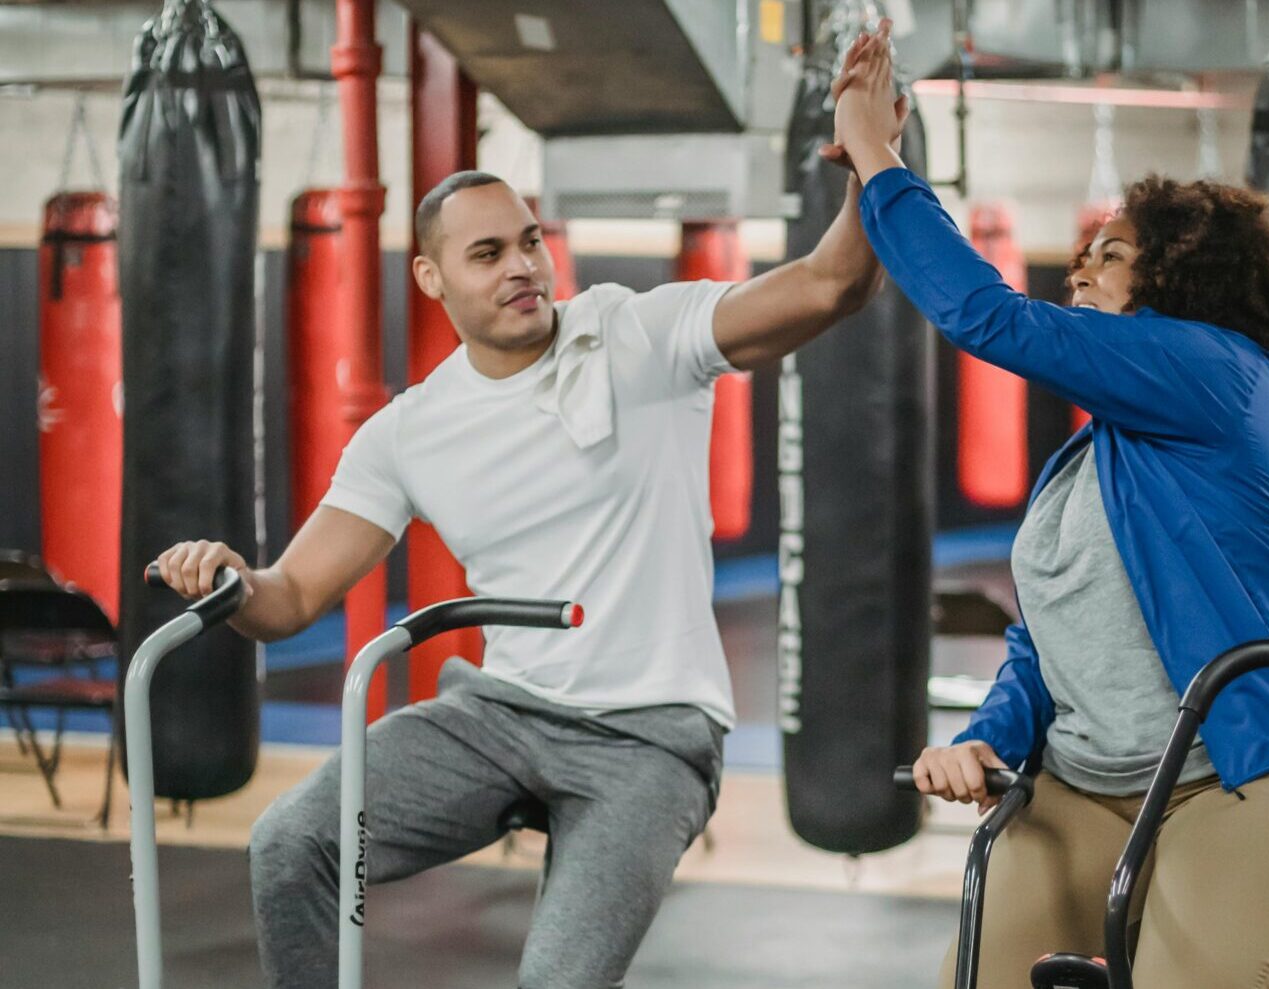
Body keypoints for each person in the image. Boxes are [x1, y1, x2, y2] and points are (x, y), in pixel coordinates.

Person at [151, 151, 905, 988]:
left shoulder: (636, 334)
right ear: (431, 277)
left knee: (557, 979)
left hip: (651, 734)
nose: (520, 268)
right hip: (500, 717)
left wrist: (871, 154)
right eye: (486, 254)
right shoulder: (410, 431)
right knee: (290, 842)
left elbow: (836, 283)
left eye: (529, 242)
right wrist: (232, 578)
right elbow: (288, 596)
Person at [830, 23, 1269, 989]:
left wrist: (873, 147)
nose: (1081, 271)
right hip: (1099, 789)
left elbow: (988, 314)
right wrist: (990, 734)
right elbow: (1049, 644)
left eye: (1109, 256)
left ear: (1186, 280)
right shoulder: (1089, 459)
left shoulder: (1224, 375)